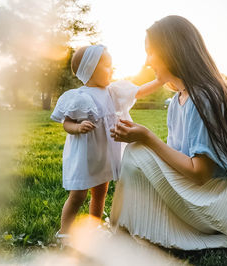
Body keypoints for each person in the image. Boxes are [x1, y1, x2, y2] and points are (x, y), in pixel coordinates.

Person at [110, 16, 227, 250]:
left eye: (151, 52)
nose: (146, 62)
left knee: (136, 152)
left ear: (171, 51)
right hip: (212, 194)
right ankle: (123, 226)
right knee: (139, 152)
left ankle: (121, 229)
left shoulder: (202, 98)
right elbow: (177, 158)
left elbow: (200, 174)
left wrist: (148, 138)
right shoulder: (178, 100)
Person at [50, 44, 163, 244]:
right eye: (107, 66)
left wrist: (159, 81)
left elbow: (137, 91)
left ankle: (94, 226)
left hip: (104, 154)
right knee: (78, 195)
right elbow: (66, 122)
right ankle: (64, 232)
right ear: (90, 69)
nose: (112, 70)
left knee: (101, 191)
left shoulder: (113, 92)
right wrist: (77, 128)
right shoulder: (79, 96)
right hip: (85, 155)